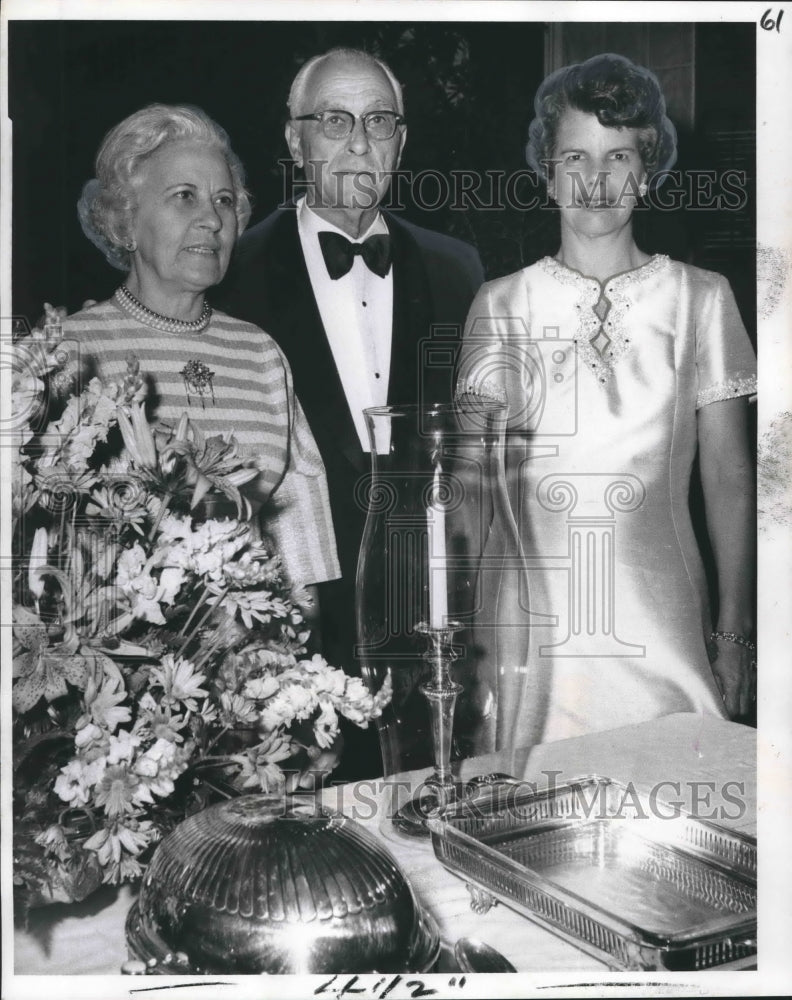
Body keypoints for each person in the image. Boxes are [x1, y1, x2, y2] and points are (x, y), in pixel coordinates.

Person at [457, 53, 757, 748]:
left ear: (647, 170)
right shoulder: (500, 306)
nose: (595, 181)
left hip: (664, 630)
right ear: (547, 169)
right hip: (529, 637)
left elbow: (731, 481)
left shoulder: (701, 300)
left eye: (618, 156)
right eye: (575, 157)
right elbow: (470, 491)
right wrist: (461, 641)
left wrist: (734, 633)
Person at [215, 48, 484, 777]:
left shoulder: (459, 270)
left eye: (379, 122)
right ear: (294, 140)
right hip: (292, 624)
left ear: (403, 142)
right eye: (334, 120)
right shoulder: (230, 273)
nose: (360, 141)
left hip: (428, 615)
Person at [62, 103, 340, 615]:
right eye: (184, 197)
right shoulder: (72, 351)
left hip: (254, 661)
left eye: (225, 201)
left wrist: (302, 666)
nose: (212, 220)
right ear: (125, 220)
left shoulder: (261, 353)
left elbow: (300, 540)